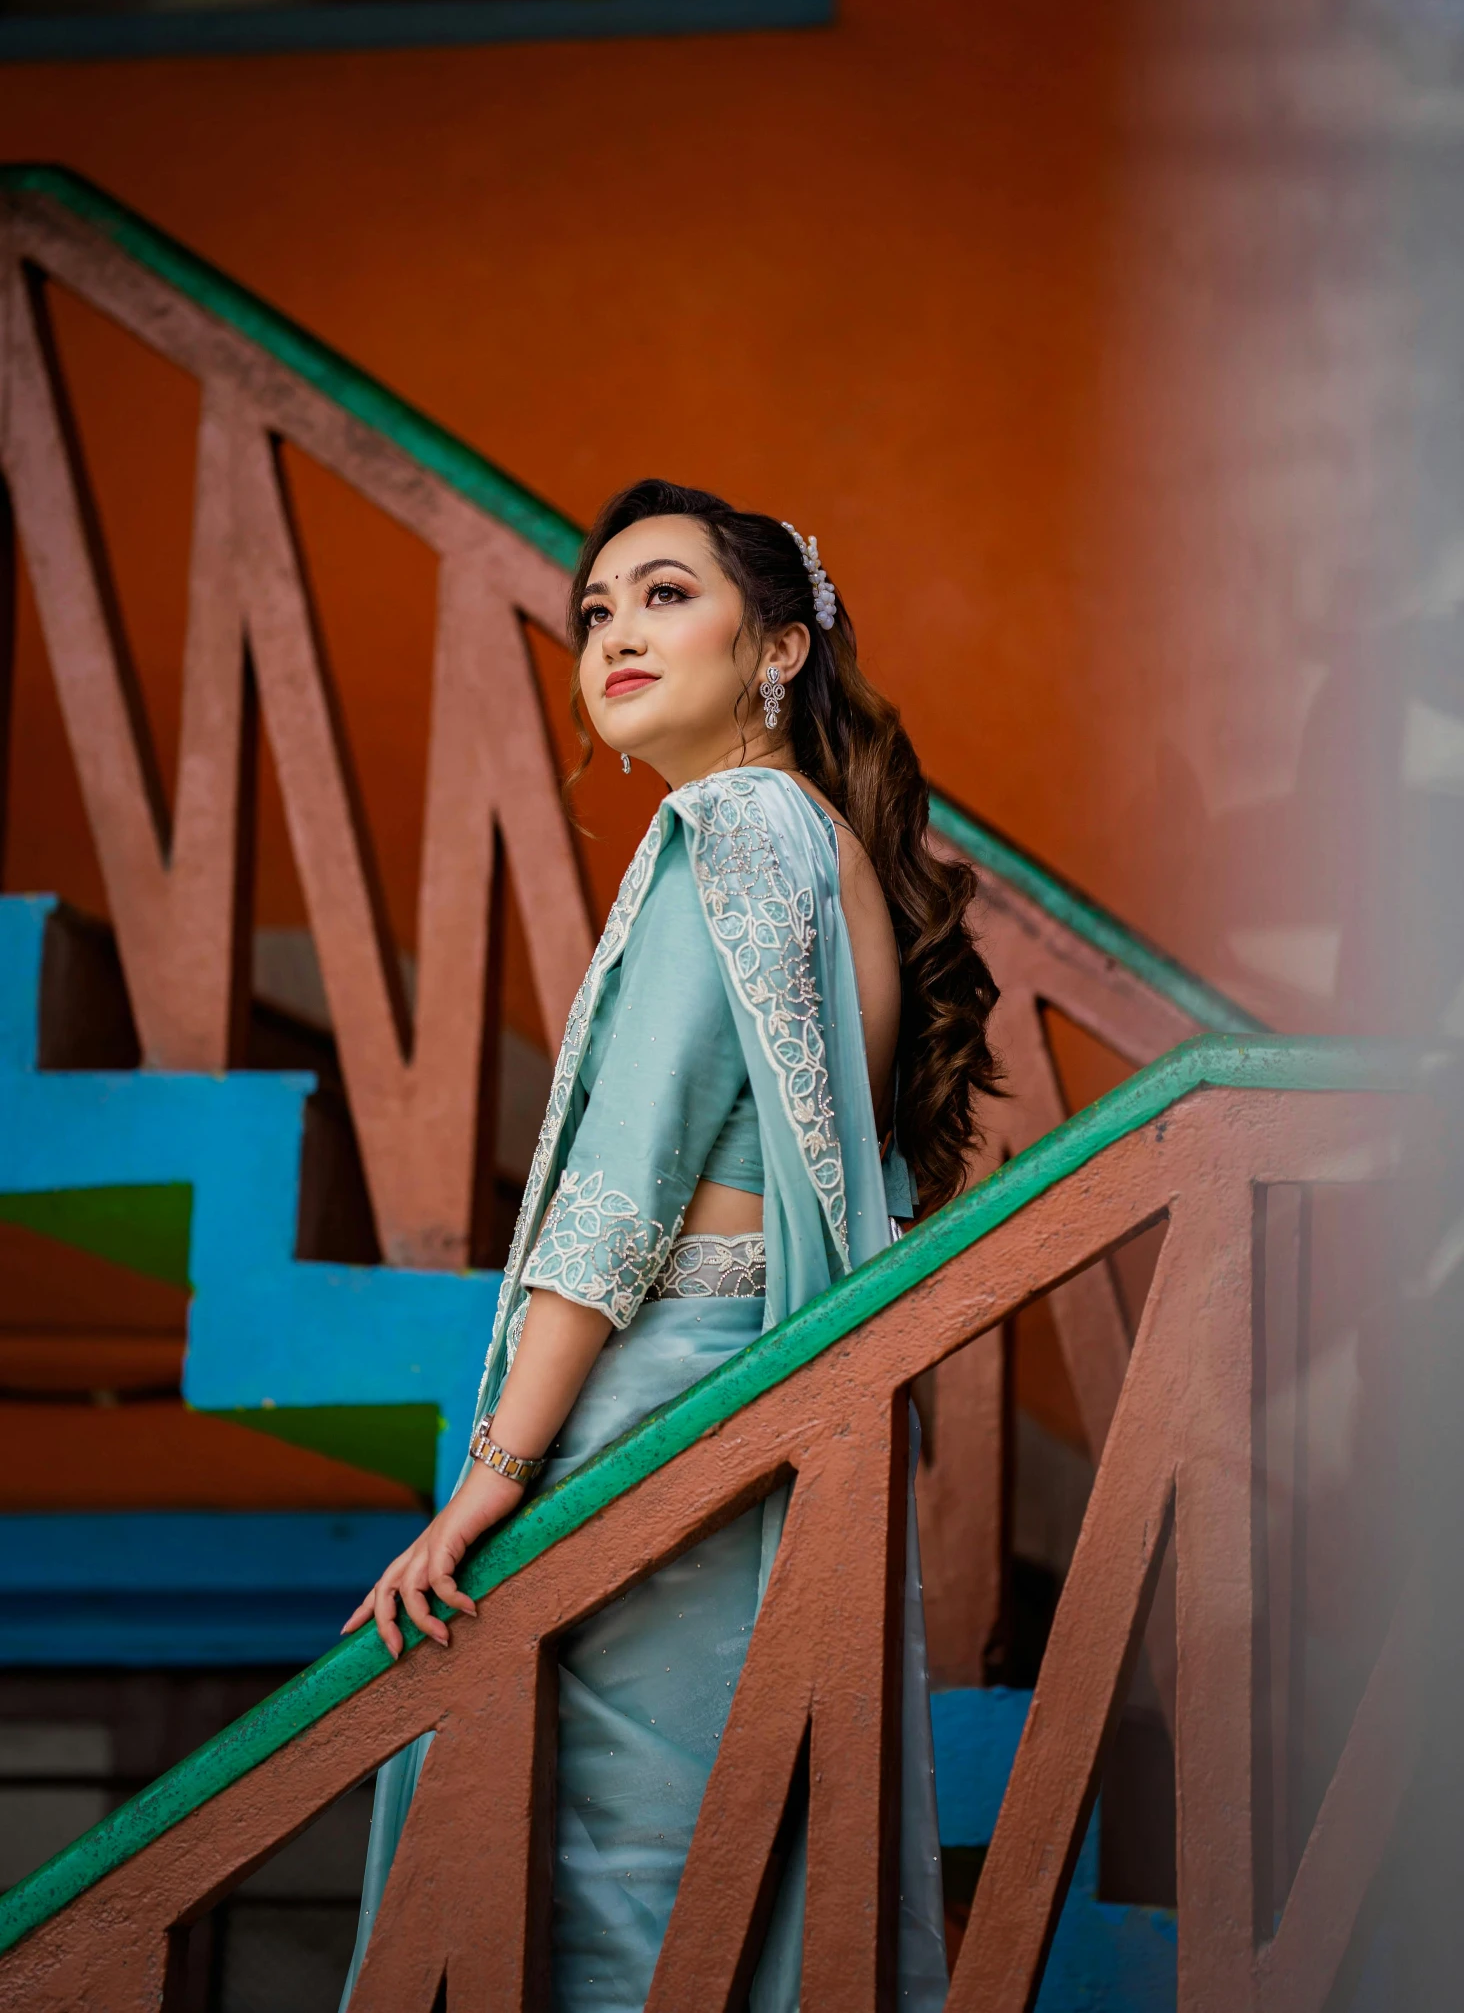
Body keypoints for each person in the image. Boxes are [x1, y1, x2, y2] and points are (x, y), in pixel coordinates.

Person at [339, 479, 1000, 2010]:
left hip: (659, 1406)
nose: (613, 635)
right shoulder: (821, 842)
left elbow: (616, 1204)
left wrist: (487, 1484)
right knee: (714, 1864)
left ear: (776, 648)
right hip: (757, 1402)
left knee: (612, 1890)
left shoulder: (724, 829)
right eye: (593, 611)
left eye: (662, 595)